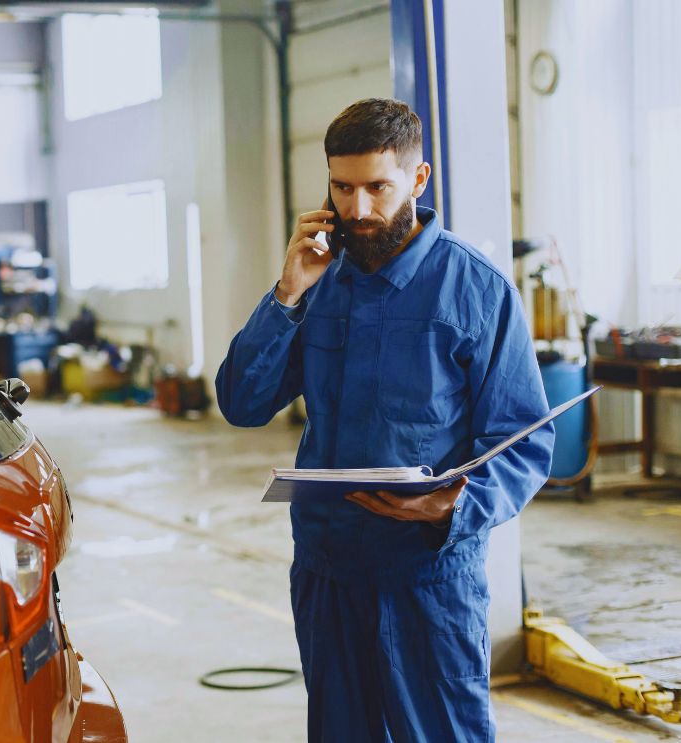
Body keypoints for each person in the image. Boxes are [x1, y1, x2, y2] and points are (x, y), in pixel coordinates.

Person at [215, 98, 553, 742]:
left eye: (378, 187)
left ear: (418, 180)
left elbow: (524, 442)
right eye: (342, 189)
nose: (359, 210)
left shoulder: (476, 291)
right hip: (327, 566)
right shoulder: (318, 281)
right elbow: (242, 402)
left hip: (426, 575)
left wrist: (452, 505)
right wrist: (287, 293)